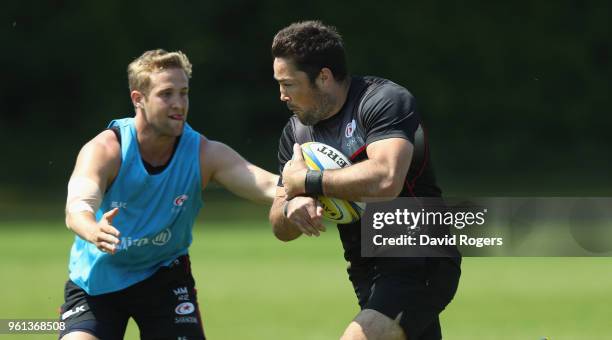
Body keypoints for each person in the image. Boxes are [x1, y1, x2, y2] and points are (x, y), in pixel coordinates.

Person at [60, 49, 278, 340]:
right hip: (96, 282)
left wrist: (311, 186)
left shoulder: (204, 153)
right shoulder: (106, 150)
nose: (179, 104)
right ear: (138, 99)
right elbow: (78, 205)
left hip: (164, 277)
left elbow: (266, 185)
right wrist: (93, 229)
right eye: (166, 94)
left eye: (184, 93)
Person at [268, 21, 461, 340]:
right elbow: (278, 223)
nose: (281, 95)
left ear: (324, 77)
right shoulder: (297, 132)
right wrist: (294, 206)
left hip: (418, 253)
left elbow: (386, 178)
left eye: (288, 84)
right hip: (365, 267)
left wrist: (309, 181)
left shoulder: (382, 101)